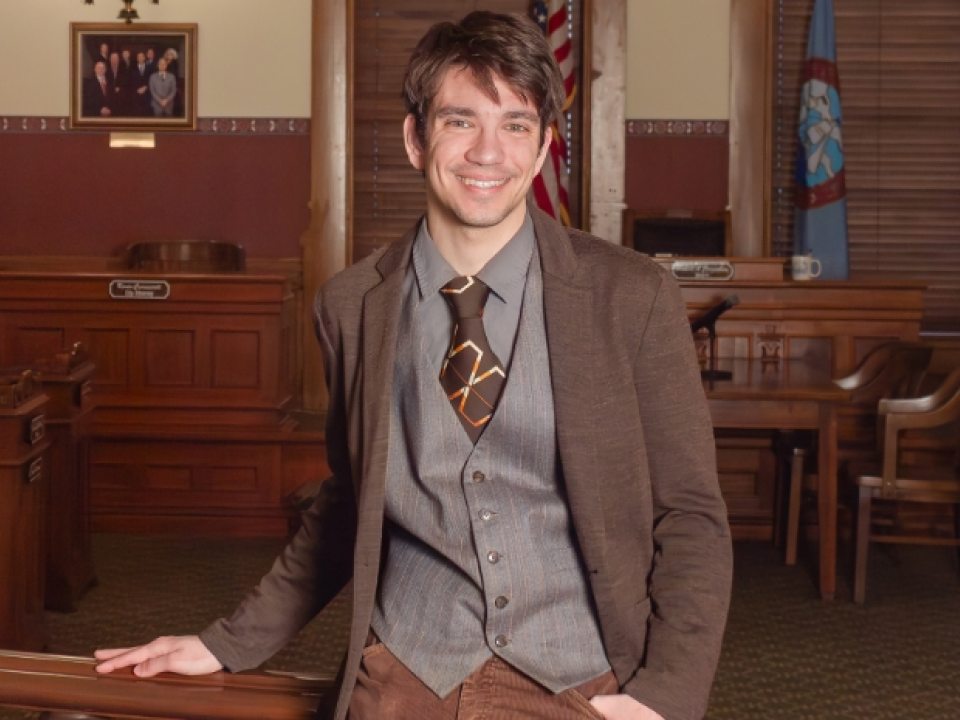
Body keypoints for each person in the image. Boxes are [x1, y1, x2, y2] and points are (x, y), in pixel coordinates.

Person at [94, 11, 732, 720]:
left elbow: (692, 515)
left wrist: (664, 698)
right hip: (403, 678)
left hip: (585, 684)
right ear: (415, 138)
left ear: (545, 144)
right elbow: (349, 500)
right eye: (461, 122)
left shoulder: (631, 295)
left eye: (516, 125)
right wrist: (227, 642)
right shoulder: (350, 306)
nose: (488, 152)